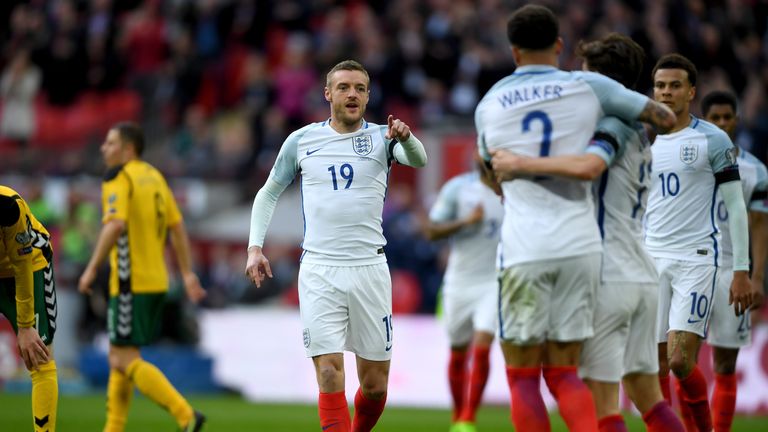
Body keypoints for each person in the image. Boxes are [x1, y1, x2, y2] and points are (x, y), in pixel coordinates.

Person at [474, 5, 676, 432]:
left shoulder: (498, 101)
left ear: (513, 51)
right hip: (625, 262)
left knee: (539, 380)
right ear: (558, 44)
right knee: (639, 393)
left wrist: (521, 166)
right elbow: (662, 119)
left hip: (583, 263)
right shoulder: (620, 120)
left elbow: (495, 170)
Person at [245, 59, 427, 432]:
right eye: (344, 87)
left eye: (360, 88)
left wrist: (406, 137)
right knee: (329, 372)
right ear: (328, 93)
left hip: (370, 269)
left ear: (367, 96)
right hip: (320, 270)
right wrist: (254, 247)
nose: (352, 94)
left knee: (375, 387)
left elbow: (419, 160)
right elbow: (268, 193)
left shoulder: (382, 137)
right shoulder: (302, 140)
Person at [645, 54, 753, 432]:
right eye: (660, 86)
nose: (666, 92)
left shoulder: (712, 138)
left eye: (675, 86)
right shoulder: (643, 138)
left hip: (695, 259)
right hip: (649, 260)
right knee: (654, 365)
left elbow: (736, 207)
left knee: (679, 361)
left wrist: (742, 269)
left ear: (691, 92)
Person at [78, 122, 207, 432]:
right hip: (157, 282)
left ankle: (185, 414)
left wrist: (92, 267)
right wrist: (187, 273)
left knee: (123, 358)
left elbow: (115, 224)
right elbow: (177, 227)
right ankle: (113, 427)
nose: (103, 148)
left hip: (128, 283)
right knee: (119, 356)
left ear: (128, 149)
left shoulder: (118, 177)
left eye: (110, 143)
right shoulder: (155, 177)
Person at [701, 90, 768, 432]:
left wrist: (756, 278)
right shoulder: (689, 160)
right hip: (691, 266)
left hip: (732, 271)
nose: (723, 123)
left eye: (728, 117)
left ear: (737, 120)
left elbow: (759, 224)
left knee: (725, 363)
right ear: (704, 121)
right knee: (679, 360)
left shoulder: (755, 170)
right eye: (716, 118)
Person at [424, 154, 503, 432]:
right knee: (458, 353)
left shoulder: (512, 189)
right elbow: (431, 231)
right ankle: (458, 417)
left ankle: (468, 418)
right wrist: (466, 222)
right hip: (459, 282)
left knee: (482, 348)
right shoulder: (458, 188)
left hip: (494, 282)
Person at [0, 186, 58, 432]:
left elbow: (21, 264)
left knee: (38, 357)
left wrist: (26, 327)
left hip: (27, 266)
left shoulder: (7, 205)